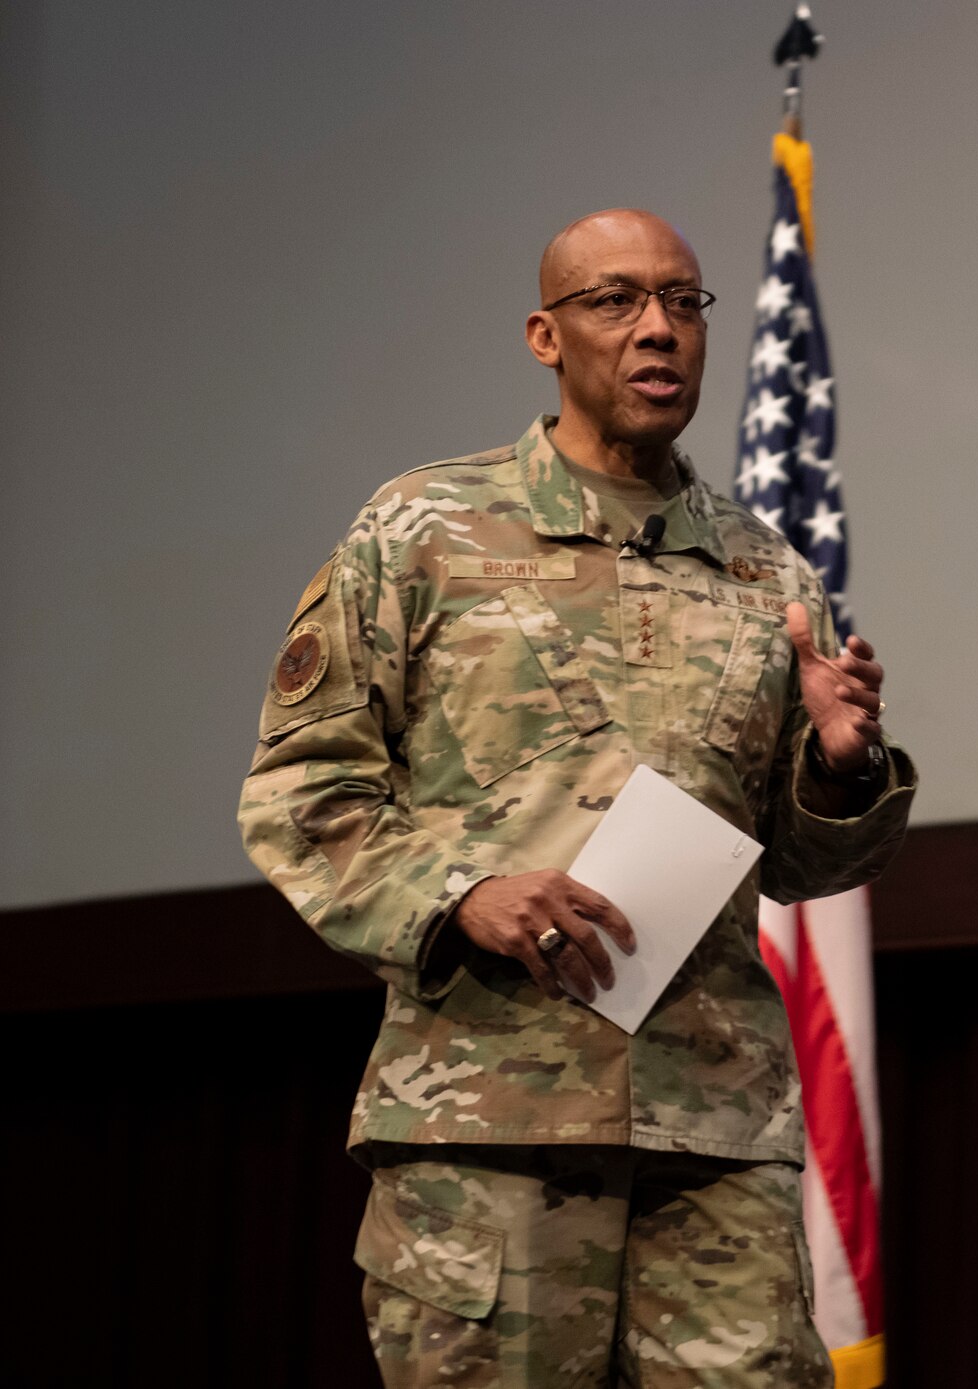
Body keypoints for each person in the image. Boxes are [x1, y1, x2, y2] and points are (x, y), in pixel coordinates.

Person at [239, 209, 915, 1387]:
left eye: (683, 303)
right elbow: (306, 789)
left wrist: (841, 764)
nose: (657, 329)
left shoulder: (768, 574)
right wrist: (462, 894)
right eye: (614, 301)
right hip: (487, 1121)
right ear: (545, 336)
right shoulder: (424, 531)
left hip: (711, 1130)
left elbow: (801, 866)